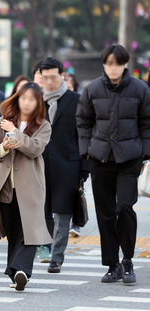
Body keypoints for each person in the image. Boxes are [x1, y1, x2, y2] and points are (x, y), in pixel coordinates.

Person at [76, 45, 150, 284]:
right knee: (105, 213)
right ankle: (112, 265)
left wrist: (145, 152)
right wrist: (86, 150)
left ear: (125, 64)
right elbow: (83, 121)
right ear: (104, 64)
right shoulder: (92, 89)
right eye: (109, 63)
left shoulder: (140, 89)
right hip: (100, 159)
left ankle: (128, 261)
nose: (113, 67)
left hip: (129, 159)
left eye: (117, 63)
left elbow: (147, 122)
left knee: (125, 208)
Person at [0, 82, 52, 291]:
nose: (27, 102)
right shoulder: (3, 122)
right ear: (17, 98)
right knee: (14, 231)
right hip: (6, 187)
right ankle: (15, 272)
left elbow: (35, 149)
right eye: (23, 97)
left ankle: (21, 271)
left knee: (30, 231)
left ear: (38, 103)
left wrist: (16, 133)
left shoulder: (43, 125)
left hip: (32, 187)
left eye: (32, 99)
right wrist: (3, 147)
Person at [38, 57, 89, 273]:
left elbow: (84, 135)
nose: (49, 82)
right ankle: (44, 249)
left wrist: (84, 169)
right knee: (43, 211)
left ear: (62, 76)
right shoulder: (36, 102)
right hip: (39, 165)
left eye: (53, 77)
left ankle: (56, 258)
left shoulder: (77, 100)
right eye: (45, 77)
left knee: (62, 214)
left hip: (68, 165)